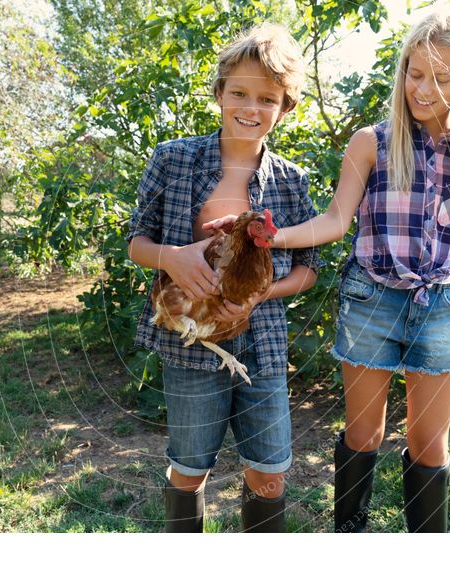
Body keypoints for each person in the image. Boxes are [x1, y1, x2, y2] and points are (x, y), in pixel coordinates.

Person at [204, 4, 450, 533]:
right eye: (415, 72)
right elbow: (337, 219)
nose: (422, 88)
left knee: (430, 444)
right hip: (372, 301)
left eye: (441, 78)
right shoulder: (374, 142)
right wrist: (272, 236)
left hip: (440, 306)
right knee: (366, 435)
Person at [126, 23, 319, 533]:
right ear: (218, 93)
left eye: (267, 98)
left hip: (264, 341)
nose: (250, 108)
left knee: (270, 473)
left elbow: (309, 271)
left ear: (285, 108)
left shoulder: (291, 180)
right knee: (189, 471)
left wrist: (256, 296)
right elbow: (135, 242)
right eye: (239, 92)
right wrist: (172, 257)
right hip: (191, 342)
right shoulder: (173, 160)